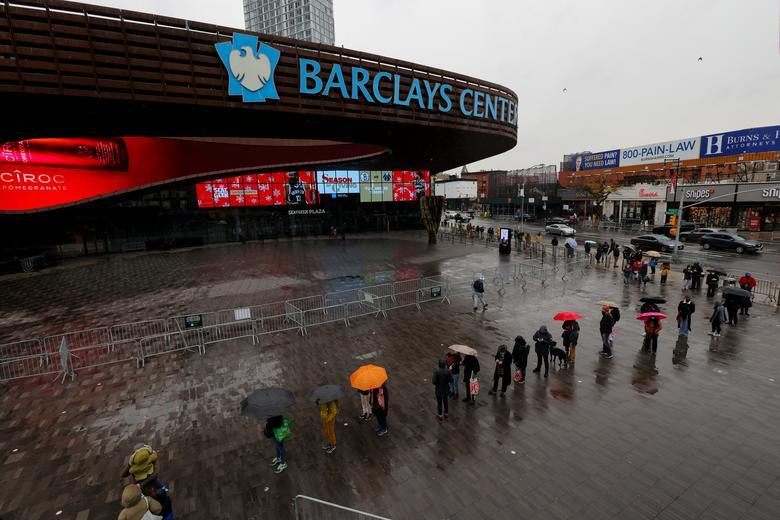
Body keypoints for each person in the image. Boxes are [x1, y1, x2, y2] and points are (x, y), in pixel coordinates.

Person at [120, 444, 172, 519]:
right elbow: (123, 474)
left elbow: (155, 475)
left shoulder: (151, 459)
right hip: (141, 488)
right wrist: (129, 464)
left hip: (151, 483)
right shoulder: (134, 464)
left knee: (161, 496)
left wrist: (141, 484)